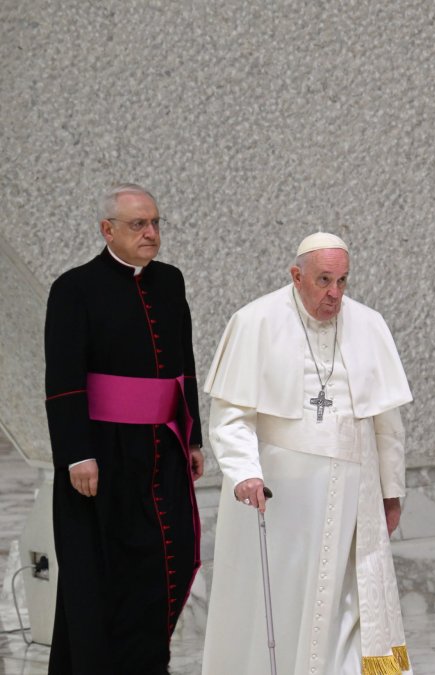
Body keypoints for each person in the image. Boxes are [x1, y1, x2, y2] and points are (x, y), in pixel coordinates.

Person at [202, 232, 414, 675]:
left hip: (357, 494)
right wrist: (244, 473)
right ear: (296, 276)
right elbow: (232, 414)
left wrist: (391, 491)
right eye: (323, 280)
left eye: (342, 281)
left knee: (353, 600)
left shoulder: (368, 324)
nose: (334, 294)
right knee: (289, 602)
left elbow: (387, 421)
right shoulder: (254, 322)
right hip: (285, 499)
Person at [43, 183, 205, 674]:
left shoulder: (170, 281)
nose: (151, 233)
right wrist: (76, 453)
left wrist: (192, 435)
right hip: (103, 455)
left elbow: (185, 363)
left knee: (163, 565)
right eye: (139, 224)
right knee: (102, 578)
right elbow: (63, 378)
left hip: (162, 450)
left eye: (156, 223)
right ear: (106, 229)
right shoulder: (74, 287)